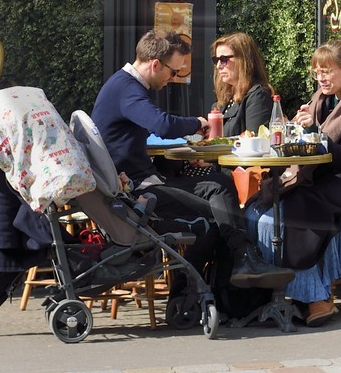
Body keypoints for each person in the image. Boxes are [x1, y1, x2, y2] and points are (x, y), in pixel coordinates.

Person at [91, 29, 293, 299]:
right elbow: (161, 124)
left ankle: (194, 291)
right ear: (155, 64)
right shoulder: (128, 89)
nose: (172, 79)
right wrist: (198, 123)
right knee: (217, 201)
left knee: (219, 197)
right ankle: (234, 267)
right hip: (137, 194)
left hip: (136, 187)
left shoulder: (121, 85)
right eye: (173, 72)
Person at [247, 40, 341, 327]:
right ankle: (273, 293)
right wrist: (295, 128)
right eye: (317, 72)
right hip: (314, 178)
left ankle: (314, 297)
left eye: (327, 71)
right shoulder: (322, 98)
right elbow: (310, 143)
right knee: (258, 207)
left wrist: (313, 133)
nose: (321, 78)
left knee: (293, 212)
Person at [212, 31, 274, 136]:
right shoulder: (225, 98)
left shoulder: (258, 95)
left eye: (223, 59)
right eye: (216, 60)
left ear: (243, 60)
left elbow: (255, 141)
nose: (218, 66)